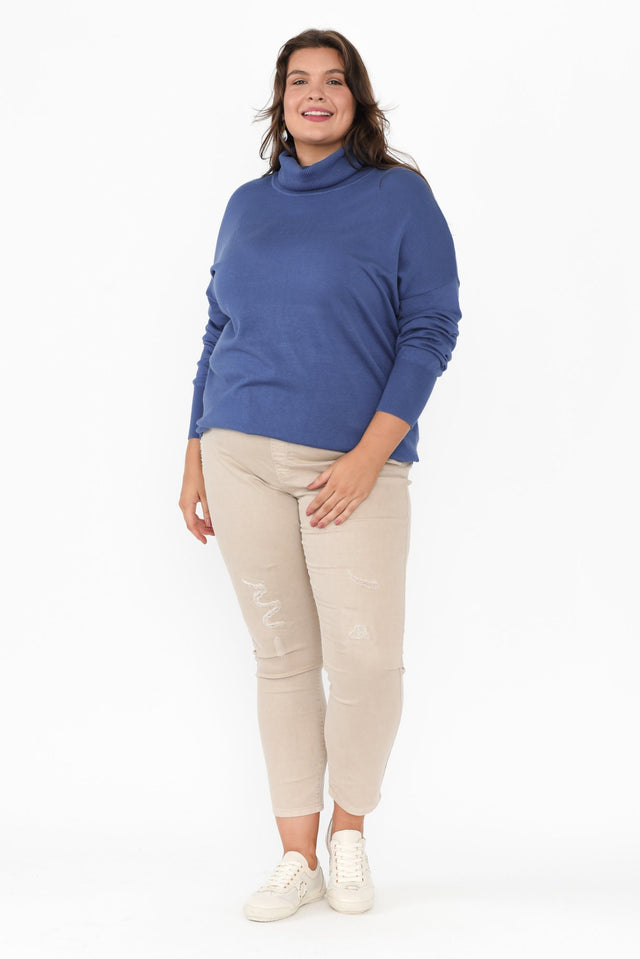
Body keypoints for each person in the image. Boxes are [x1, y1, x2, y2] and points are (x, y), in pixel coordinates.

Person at [178, 28, 461, 922]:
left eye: (332, 80)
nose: (314, 93)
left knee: (367, 661)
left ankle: (348, 830)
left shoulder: (399, 196)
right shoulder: (245, 204)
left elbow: (431, 328)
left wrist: (369, 457)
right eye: (298, 80)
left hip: (352, 466)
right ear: (280, 101)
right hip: (237, 455)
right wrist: (193, 448)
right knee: (283, 659)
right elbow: (218, 328)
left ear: (356, 98)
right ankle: (295, 855)